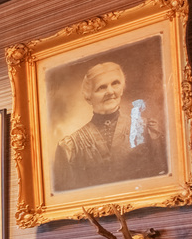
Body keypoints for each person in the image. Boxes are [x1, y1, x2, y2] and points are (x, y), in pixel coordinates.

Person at [51, 59, 167, 191]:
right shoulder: (70, 148)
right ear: (88, 97)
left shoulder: (147, 130)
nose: (110, 92)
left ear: (122, 89)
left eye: (115, 84)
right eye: (101, 87)